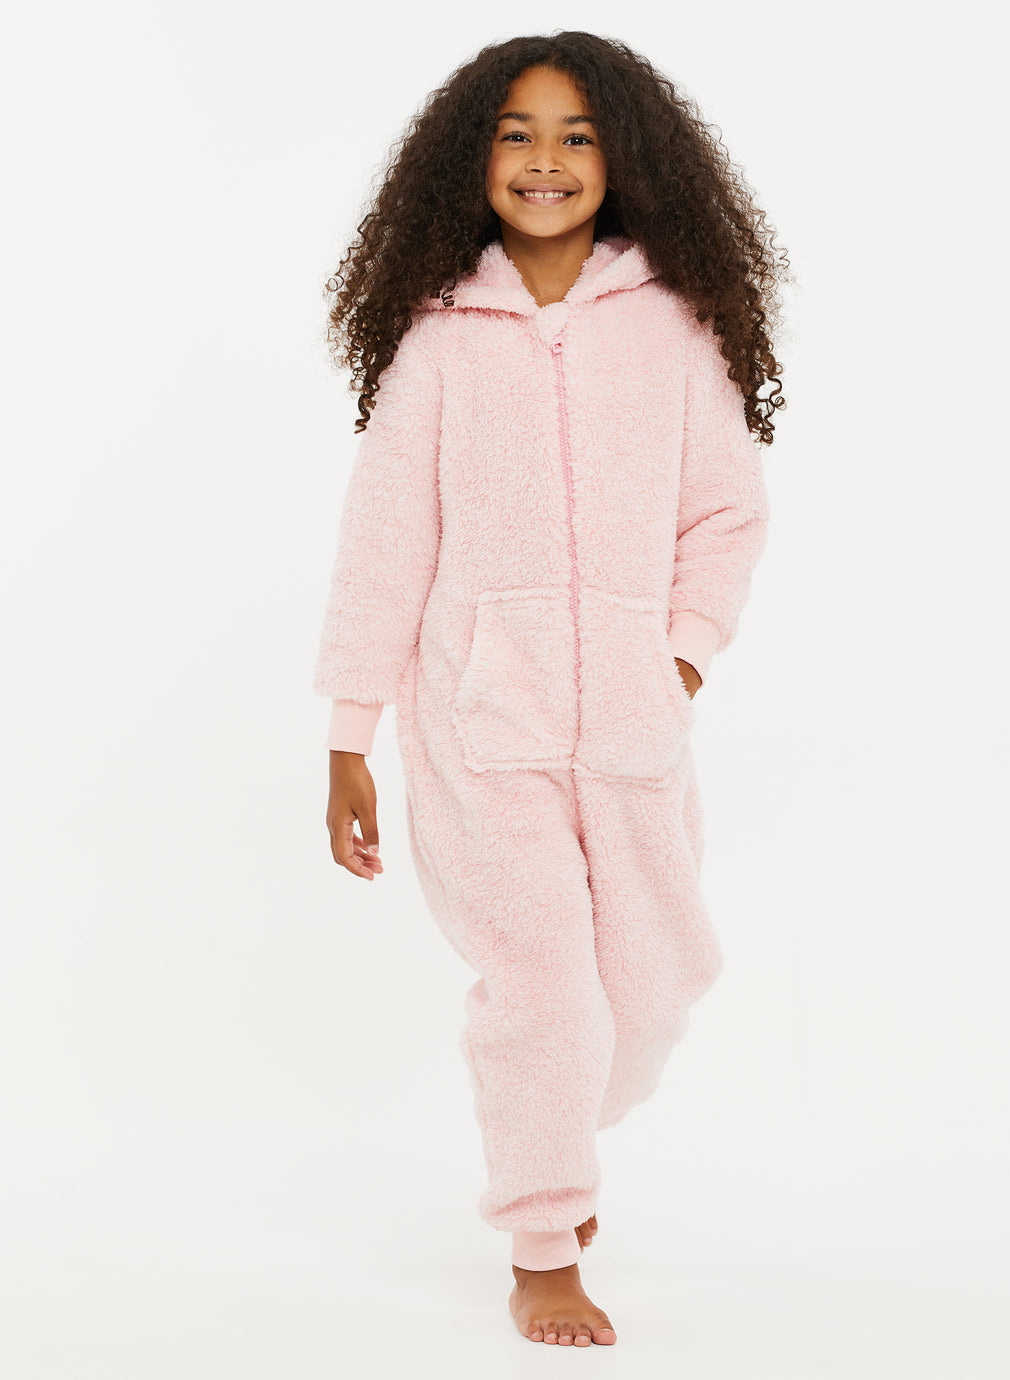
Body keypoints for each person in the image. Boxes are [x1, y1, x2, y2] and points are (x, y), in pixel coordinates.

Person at [312, 30, 789, 1347]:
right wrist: (351, 732)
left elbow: (726, 512)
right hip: (478, 723)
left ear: (625, 157)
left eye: (577, 134)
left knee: (657, 982)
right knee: (546, 993)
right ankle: (542, 1235)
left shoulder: (676, 328)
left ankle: (560, 1123)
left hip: (635, 720)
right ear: (468, 160)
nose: (545, 159)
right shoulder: (438, 340)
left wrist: (680, 653)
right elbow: (384, 542)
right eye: (516, 132)